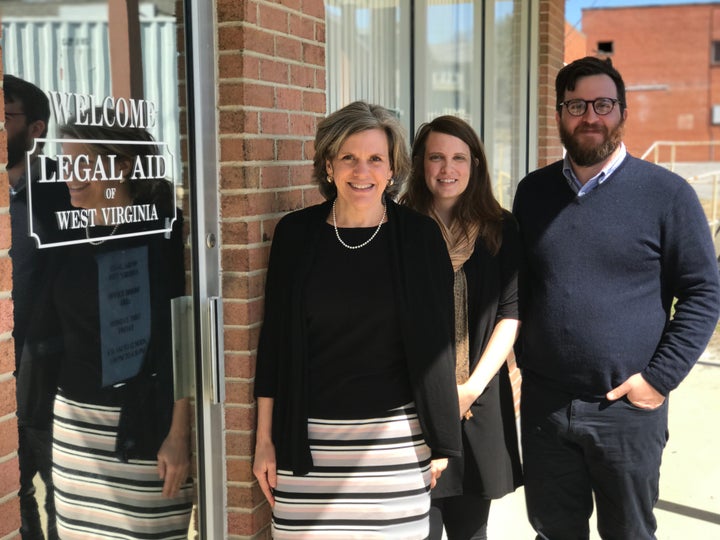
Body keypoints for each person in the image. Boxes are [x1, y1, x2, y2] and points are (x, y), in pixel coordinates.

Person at [512, 56, 720, 540]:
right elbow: (518, 286)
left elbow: (702, 292)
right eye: (577, 105)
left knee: (629, 533)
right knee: (552, 531)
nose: (591, 116)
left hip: (626, 411)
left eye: (603, 104)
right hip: (545, 408)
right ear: (559, 114)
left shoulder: (667, 195)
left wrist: (657, 380)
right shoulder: (532, 193)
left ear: (623, 112)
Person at [252, 101, 462, 538]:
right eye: (348, 157)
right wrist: (264, 440)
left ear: (392, 169)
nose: (361, 170)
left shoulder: (419, 238)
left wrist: (440, 440)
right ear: (328, 165)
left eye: (375, 159)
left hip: (395, 444)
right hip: (305, 442)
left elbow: (437, 344)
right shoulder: (296, 235)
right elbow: (273, 344)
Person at [22, 109, 194, 538]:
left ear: (120, 164)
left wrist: (180, 432)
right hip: (74, 426)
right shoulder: (65, 234)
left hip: (144, 427)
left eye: (82, 163)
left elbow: (185, 338)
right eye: (65, 162)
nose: (69, 175)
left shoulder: (165, 234)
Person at [402, 116, 523, 540]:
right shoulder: (398, 228)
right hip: (415, 405)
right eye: (436, 157)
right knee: (419, 530)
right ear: (420, 164)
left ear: (475, 164)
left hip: (479, 400)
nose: (447, 168)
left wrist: (470, 387)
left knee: (473, 532)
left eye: (458, 157)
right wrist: (436, 399)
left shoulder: (501, 228)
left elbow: (510, 314)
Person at [6, 74, 69, 540]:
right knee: (14, 486)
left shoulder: (59, 190)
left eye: (4, 117)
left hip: (46, 357)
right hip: (7, 362)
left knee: (55, 481)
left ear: (35, 129)